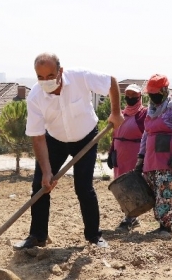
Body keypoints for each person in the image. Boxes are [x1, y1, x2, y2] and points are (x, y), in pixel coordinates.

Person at [13, 53, 123, 250]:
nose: (45, 81)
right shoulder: (35, 97)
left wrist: (116, 112)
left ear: (60, 71)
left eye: (50, 75)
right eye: (40, 77)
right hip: (54, 140)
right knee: (41, 185)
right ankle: (37, 236)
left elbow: (111, 82)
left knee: (83, 187)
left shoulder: (80, 77)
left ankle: (93, 236)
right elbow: (37, 137)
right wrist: (47, 171)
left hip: (86, 138)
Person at [134, 74, 172, 238]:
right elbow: (146, 134)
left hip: (169, 160)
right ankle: (160, 224)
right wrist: (141, 157)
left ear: (165, 90)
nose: (153, 97)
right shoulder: (151, 110)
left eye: (155, 93)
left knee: (167, 192)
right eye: (150, 94)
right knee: (156, 192)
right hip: (152, 159)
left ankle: (166, 228)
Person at [106, 83, 147, 230]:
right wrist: (111, 152)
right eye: (127, 95)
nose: (130, 98)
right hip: (119, 155)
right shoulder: (121, 114)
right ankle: (129, 215)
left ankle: (130, 217)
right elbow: (115, 135)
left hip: (133, 154)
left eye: (133, 96)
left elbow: (149, 134)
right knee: (119, 186)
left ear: (139, 97)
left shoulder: (143, 114)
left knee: (130, 185)